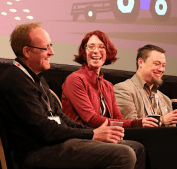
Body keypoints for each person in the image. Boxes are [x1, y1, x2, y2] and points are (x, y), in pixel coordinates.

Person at [0, 22, 145, 169]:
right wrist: (93, 134)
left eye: (51, 46)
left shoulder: (38, 79)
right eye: (46, 48)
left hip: (56, 143)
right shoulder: (15, 80)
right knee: (124, 154)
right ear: (27, 51)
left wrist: (92, 133)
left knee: (137, 148)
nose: (52, 52)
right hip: (36, 152)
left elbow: (61, 118)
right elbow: (44, 130)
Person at [62, 30, 158, 128]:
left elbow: (119, 119)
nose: (96, 51)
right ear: (84, 52)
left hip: (103, 137)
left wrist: (140, 123)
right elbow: (91, 120)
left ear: (107, 52)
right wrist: (136, 123)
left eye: (101, 47)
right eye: (91, 46)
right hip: (80, 138)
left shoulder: (107, 86)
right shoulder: (74, 80)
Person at [114, 44, 177, 126]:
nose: (161, 69)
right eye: (156, 64)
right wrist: (162, 120)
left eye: (163, 65)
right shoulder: (123, 90)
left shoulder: (165, 100)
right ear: (141, 63)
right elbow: (130, 126)